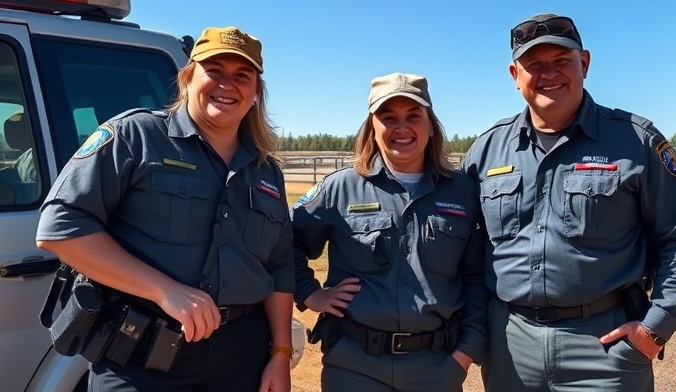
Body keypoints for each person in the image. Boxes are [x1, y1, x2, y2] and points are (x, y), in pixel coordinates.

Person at [36, 26, 295, 391]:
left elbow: (279, 265)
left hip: (241, 355)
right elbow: (60, 227)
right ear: (187, 78)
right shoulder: (136, 136)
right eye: (214, 70)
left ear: (255, 93)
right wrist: (164, 290)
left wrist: (281, 353)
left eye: (242, 76)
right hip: (141, 351)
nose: (227, 84)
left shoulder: (266, 171)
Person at [461, 13, 676, 392]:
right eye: (534, 64)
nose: (549, 74)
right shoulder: (487, 149)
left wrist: (656, 326)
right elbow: (461, 242)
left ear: (585, 64)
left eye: (562, 60)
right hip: (510, 342)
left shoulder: (636, 141)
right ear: (515, 75)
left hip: (604, 344)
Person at [292, 72, 488, 392]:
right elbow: (283, 241)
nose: (402, 127)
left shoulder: (463, 192)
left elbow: (477, 275)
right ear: (372, 126)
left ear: (430, 124)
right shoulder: (339, 189)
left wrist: (466, 352)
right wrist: (309, 293)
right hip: (354, 367)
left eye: (413, 115)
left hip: (436, 368)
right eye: (388, 117)